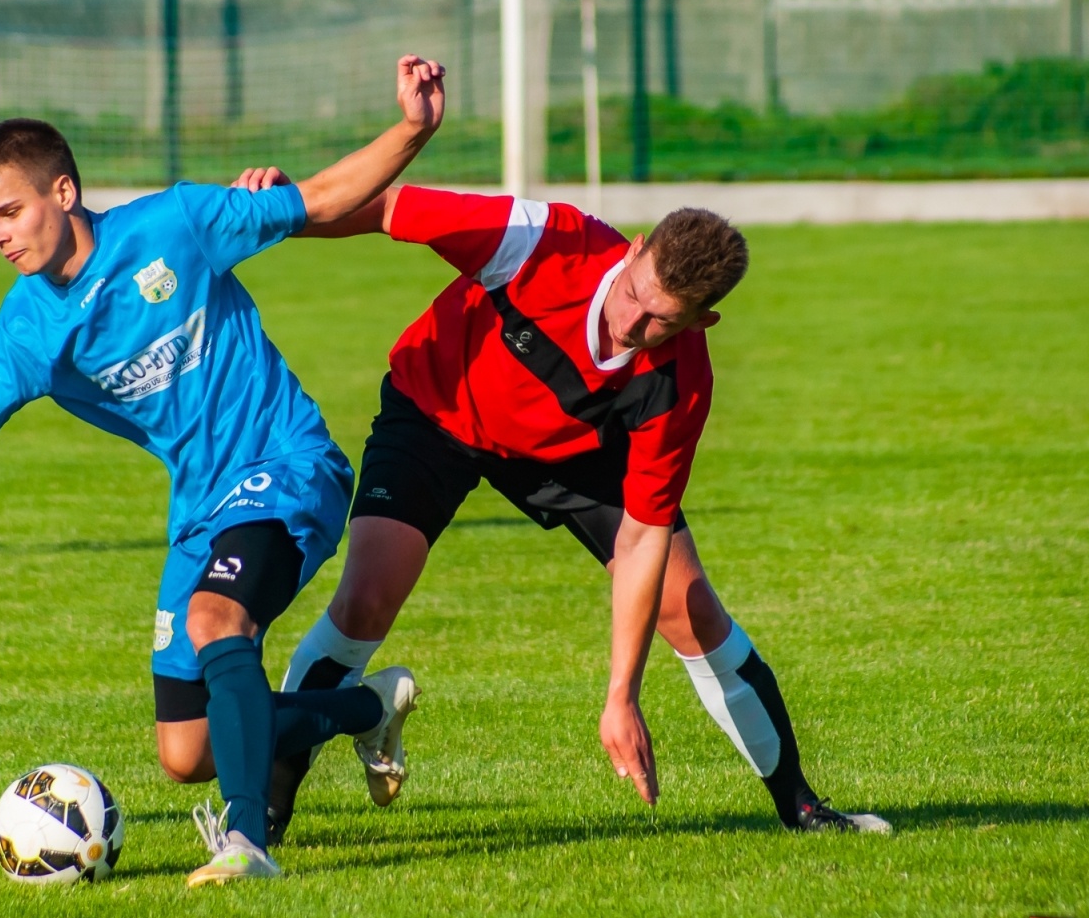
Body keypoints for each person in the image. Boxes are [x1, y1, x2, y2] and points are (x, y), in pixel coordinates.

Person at [0, 54, 446, 887]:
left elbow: (323, 196)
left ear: (63, 193)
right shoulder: (27, 331)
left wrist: (414, 128)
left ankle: (246, 843)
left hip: (288, 463)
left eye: (10, 212)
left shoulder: (176, 225)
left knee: (214, 620)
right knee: (186, 752)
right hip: (201, 504)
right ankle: (364, 708)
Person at [227, 176, 892, 839]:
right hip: (440, 411)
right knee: (368, 596)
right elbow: (391, 207)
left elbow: (641, 540)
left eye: (661, 319)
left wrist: (621, 695)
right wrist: (272, 214)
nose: (632, 321)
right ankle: (264, 820)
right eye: (635, 293)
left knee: (690, 609)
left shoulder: (679, 386)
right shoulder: (545, 241)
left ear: (700, 321)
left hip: (573, 454)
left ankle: (801, 809)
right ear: (631, 252)